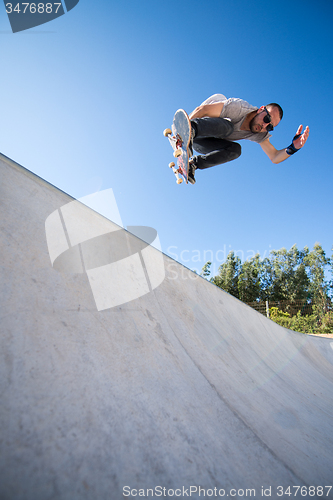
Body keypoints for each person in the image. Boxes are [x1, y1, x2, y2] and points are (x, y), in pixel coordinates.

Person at [187, 94, 310, 184]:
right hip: (198, 129)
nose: (264, 125)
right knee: (228, 127)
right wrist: (186, 128)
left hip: (200, 143)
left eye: (270, 127)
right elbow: (202, 110)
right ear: (261, 109)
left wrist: (293, 148)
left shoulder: (260, 134)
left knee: (236, 150)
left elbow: (274, 156)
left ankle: (193, 164)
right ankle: (191, 129)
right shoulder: (239, 108)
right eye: (267, 119)